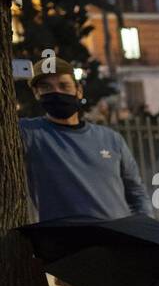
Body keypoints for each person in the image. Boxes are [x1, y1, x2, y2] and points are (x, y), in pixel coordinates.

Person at [18, 56, 148, 222]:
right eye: (46, 87)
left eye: (64, 85)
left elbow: (136, 192)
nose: (56, 92)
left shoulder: (111, 139)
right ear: (37, 93)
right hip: (67, 243)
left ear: (78, 90)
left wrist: (144, 229)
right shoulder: (28, 133)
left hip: (119, 240)